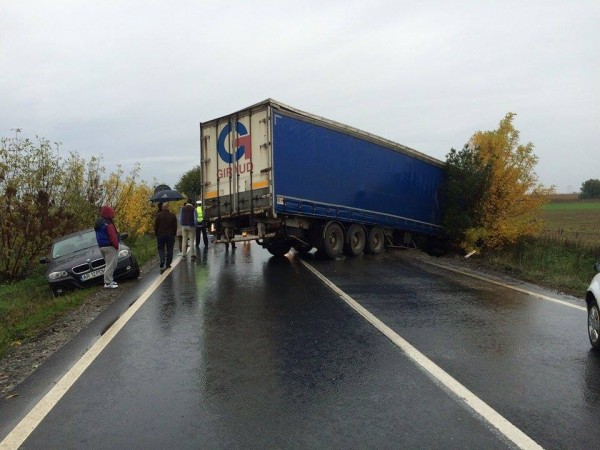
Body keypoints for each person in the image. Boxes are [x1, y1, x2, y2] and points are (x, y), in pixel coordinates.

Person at [94, 205, 120, 289]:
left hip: (101, 246)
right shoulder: (108, 224)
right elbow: (112, 236)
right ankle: (108, 282)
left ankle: (110, 280)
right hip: (110, 246)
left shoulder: (99, 223)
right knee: (111, 265)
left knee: (108, 264)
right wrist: (116, 245)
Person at [154, 202, 178, 274]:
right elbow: (175, 226)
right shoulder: (172, 215)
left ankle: (162, 259)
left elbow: (156, 226)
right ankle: (168, 264)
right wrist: (174, 233)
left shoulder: (158, 215)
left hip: (161, 234)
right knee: (170, 249)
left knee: (161, 248)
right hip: (170, 235)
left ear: (162, 208)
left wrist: (156, 233)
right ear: (168, 207)